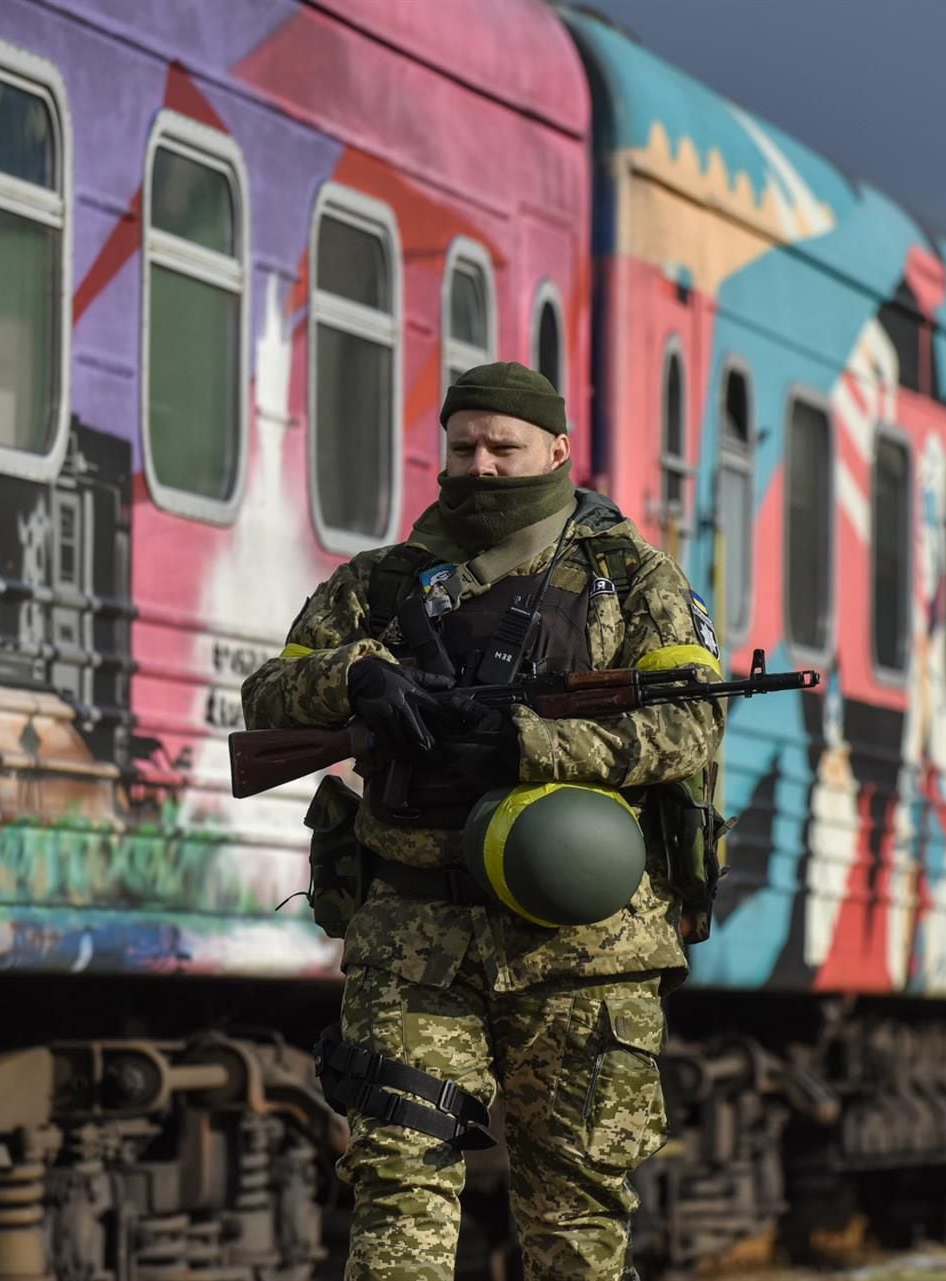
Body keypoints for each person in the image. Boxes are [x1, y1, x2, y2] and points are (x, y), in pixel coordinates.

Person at [242, 362, 725, 1280]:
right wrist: (354, 679)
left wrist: (528, 744)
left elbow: (692, 720)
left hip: (583, 949)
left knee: (576, 1219)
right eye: (464, 446)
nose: (484, 465)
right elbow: (267, 693)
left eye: (504, 446)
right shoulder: (382, 584)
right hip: (413, 940)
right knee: (398, 1201)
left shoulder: (630, 577)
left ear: (557, 449)